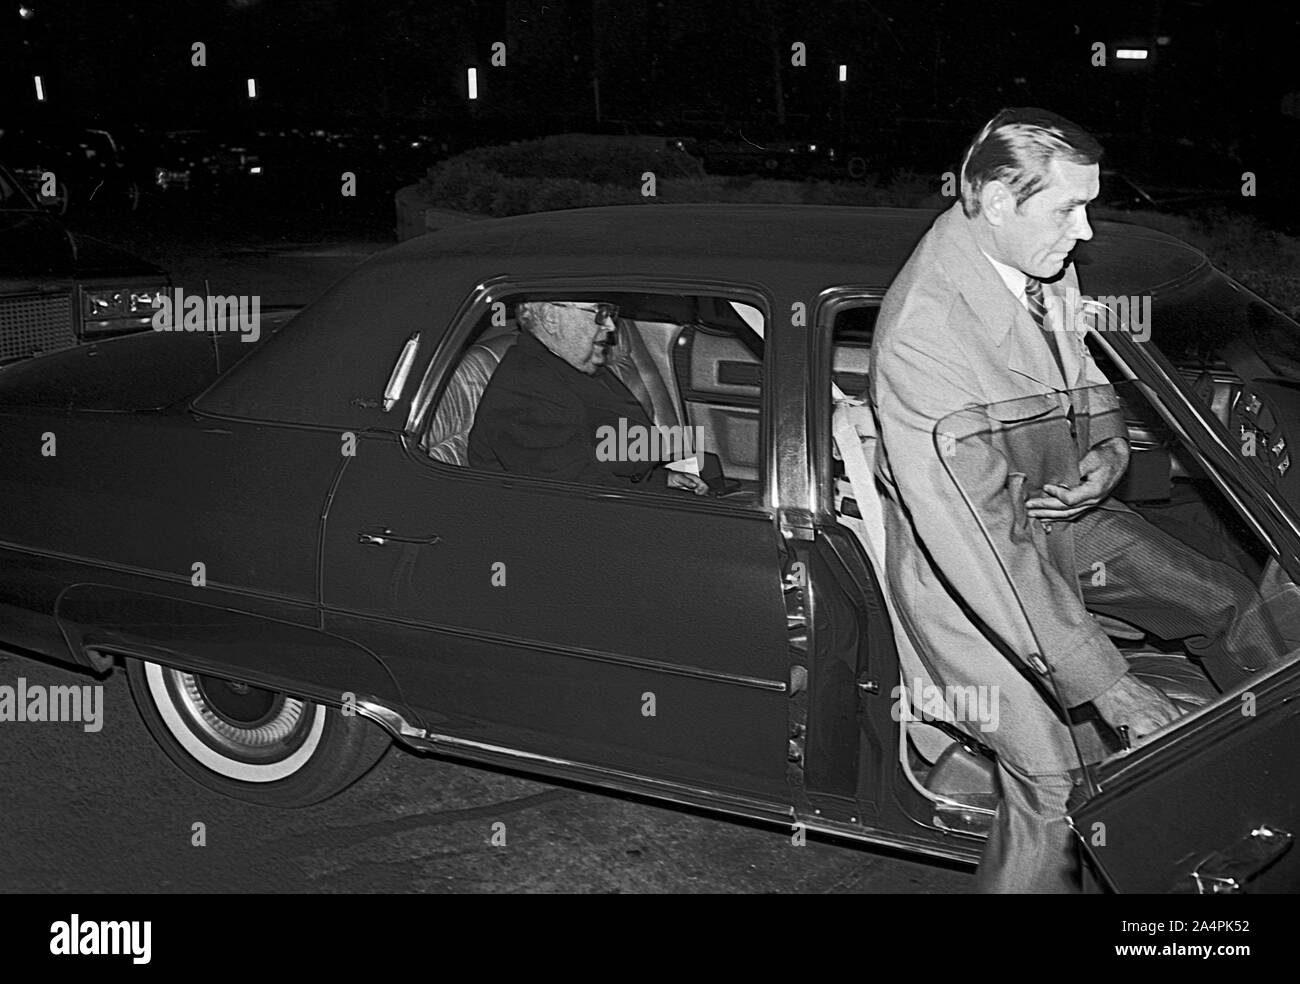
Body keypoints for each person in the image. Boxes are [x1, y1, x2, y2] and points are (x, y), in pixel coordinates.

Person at [868, 107, 1286, 892]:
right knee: (1060, 782)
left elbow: (1085, 379)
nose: (1085, 231)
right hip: (975, 581)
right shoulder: (925, 336)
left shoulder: (1041, 263)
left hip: (1063, 517)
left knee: (1234, 603)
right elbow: (986, 547)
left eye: (1087, 205)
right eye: (1067, 207)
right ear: (996, 199)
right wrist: (1111, 687)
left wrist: (1108, 447)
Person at [469, 299, 708, 494]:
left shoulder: (572, 365)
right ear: (552, 318)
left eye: (611, 313)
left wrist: (662, 480)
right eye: (599, 313)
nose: (611, 327)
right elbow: (577, 497)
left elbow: (598, 462)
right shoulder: (524, 394)